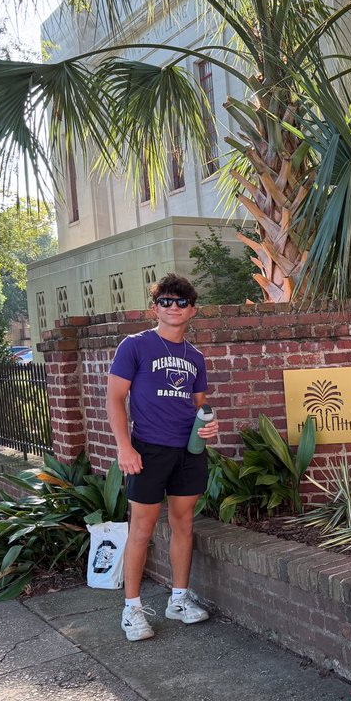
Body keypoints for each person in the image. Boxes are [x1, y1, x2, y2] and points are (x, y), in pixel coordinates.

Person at [107, 274, 219, 641]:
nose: (174, 307)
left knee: (183, 523)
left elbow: (199, 406)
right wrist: (125, 446)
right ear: (155, 308)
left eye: (181, 302)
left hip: (187, 451)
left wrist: (209, 427)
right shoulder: (135, 346)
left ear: (193, 310)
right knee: (141, 528)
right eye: (166, 301)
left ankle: (179, 599)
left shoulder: (195, 357)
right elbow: (114, 399)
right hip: (148, 449)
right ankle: (132, 610)